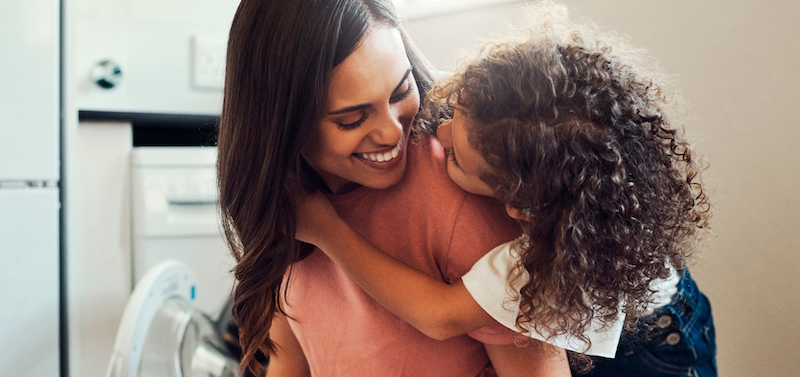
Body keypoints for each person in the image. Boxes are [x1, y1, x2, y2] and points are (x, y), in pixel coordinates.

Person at [294, 1, 717, 376]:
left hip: (654, 346)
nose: (437, 135)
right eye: (454, 111)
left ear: (519, 206)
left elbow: (438, 315)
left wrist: (326, 231)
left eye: (456, 157)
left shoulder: (520, 271)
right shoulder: (534, 134)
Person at [216, 0, 570, 376]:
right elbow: (289, 362)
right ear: (280, 127)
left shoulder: (460, 198)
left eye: (402, 90)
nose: (391, 132)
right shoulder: (288, 203)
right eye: (352, 119)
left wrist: (329, 232)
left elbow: (450, 321)